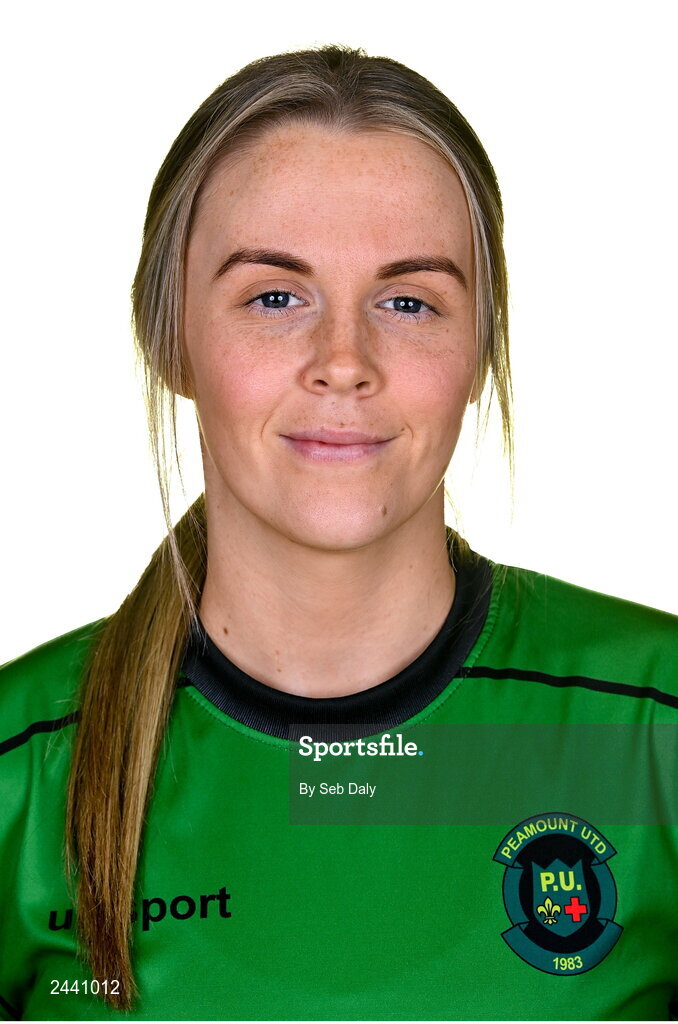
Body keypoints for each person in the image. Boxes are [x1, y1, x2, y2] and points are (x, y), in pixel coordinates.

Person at [0, 43, 676, 1023]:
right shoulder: (21, 770)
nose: (345, 360)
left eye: (408, 301)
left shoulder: (652, 728)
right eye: (275, 296)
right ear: (169, 336)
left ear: (480, 348)